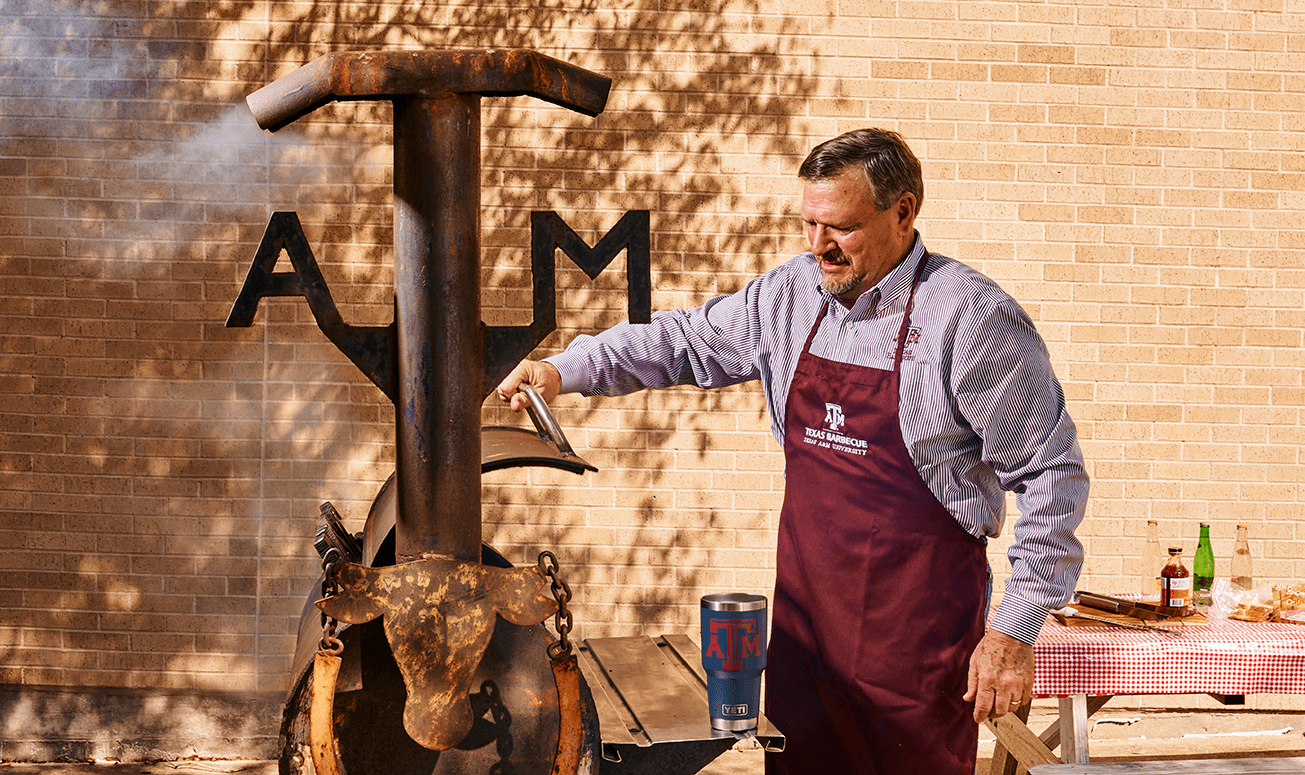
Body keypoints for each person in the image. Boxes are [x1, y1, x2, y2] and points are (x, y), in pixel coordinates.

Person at [496, 128, 1088, 774]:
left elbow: (1051, 476)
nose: (818, 247)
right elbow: (682, 342)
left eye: (839, 228)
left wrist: (1013, 627)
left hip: (914, 655)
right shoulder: (791, 296)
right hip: (805, 644)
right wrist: (565, 370)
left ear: (903, 212)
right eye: (808, 224)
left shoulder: (970, 321)